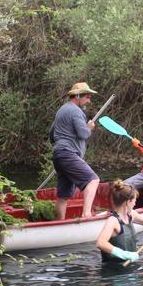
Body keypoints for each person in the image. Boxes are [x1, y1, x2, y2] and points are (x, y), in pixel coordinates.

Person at [51, 82, 100, 219]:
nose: (89, 100)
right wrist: (89, 127)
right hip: (68, 154)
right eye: (87, 97)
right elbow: (83, 134)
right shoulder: (76, 111)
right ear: (77, 96)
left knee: (63, 195)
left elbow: (51, 134)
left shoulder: (61, 110)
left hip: (58, 154)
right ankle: (87, 215)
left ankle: (60, 223)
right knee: (93, 180)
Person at [96, 180, 143, 264]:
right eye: (134, 200)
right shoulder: (113, 221)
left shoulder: (131, 214)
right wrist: (123, 254)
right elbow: (100, 243)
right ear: (128, 202)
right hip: (113, 268)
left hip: (130, 262)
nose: (135, 203)